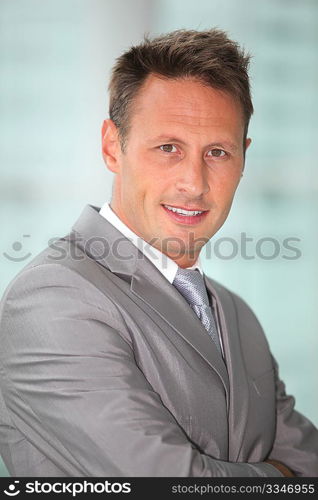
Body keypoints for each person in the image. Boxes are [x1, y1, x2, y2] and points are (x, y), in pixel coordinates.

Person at [0, 28, 317, 478]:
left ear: (244, 158)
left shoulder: (234, 314)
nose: (194, 182)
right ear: (113, 145)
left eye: (218, 152)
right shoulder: (52, 298)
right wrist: (282, 478)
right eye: (168, 148)